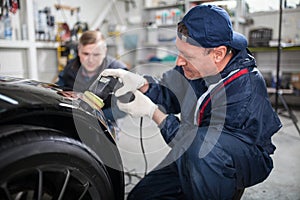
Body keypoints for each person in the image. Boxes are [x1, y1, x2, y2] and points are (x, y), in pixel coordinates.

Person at [102, 5, 282, 200]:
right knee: (141, 196)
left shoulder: (244, 89)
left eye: (187, 56)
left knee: (203, 152)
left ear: (218, 54)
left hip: (231, 158)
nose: (179, 62)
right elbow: (170, 92)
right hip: (195, 148)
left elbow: (201, 145)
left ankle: (225, 187)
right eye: (180, 52)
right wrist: (142, 84)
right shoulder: (195, 65)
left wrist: (153, 112)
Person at [56, 30, 128, 123]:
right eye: (86, 54)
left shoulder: (118, 71)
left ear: (104, 51)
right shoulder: (70, 67)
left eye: (96, 54)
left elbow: (123, 108)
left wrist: (94, 117)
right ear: (78, 51)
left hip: (106, 121)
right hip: (75, 117)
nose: (90, 60)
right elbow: (57, 91)